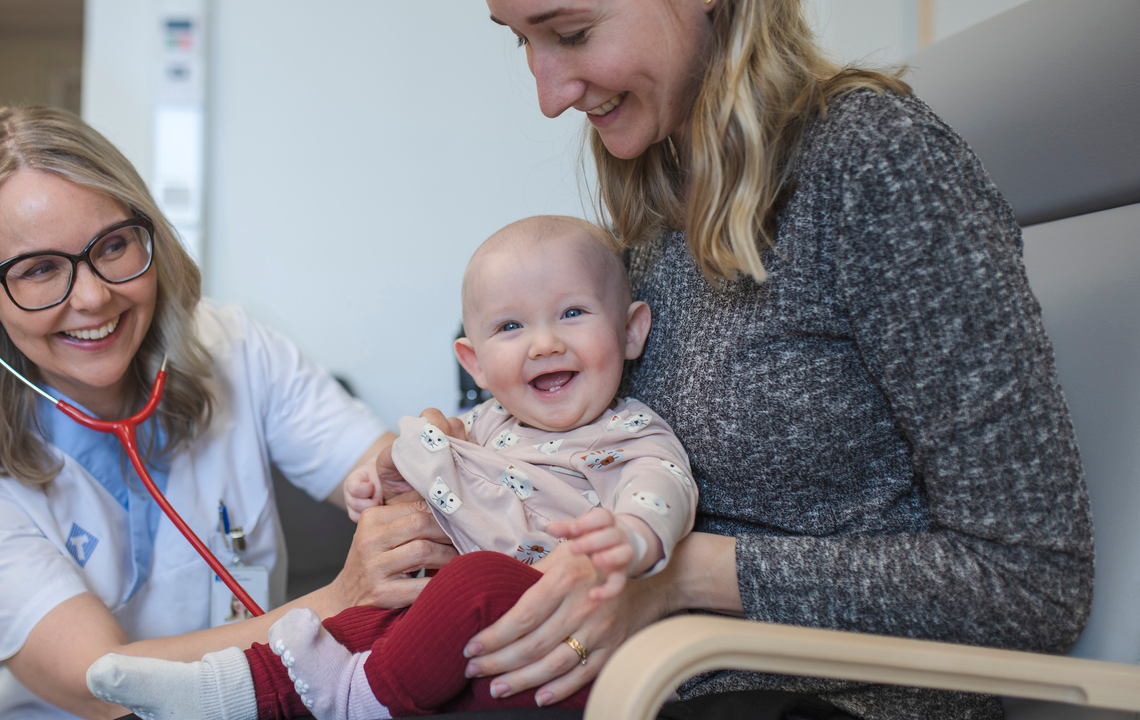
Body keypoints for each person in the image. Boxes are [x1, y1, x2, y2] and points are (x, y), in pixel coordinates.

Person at [456, 2, 1094, 719]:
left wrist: (682, 576)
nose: (549, 97)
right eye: (523, 42)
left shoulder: (874, 163)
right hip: (659, 682)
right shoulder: (656, 204)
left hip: (835, 701)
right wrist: (441, 497)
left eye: (572, 34)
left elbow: (1032, 584)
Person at [0, 106, 456, 720]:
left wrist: (429, 468)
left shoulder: (235, 348)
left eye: (112, 245)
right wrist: (337, 600)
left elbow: (384, 475)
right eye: (38, 270)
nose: (93, 297)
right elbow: (102, 683)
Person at [86, 215, 697, 720]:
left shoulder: (629, 433)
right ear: (476, 363)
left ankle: (357, 698)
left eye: (573, 313)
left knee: (471, 582)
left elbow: (662, 489)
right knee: (378, 610)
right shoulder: (484, 425)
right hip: (476, 650)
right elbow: (426, 474)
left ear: (631, 331)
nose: (544, 343)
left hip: (562, 634)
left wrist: (631, 537)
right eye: (511, 326)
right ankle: (233, 687)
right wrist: (385, 476)